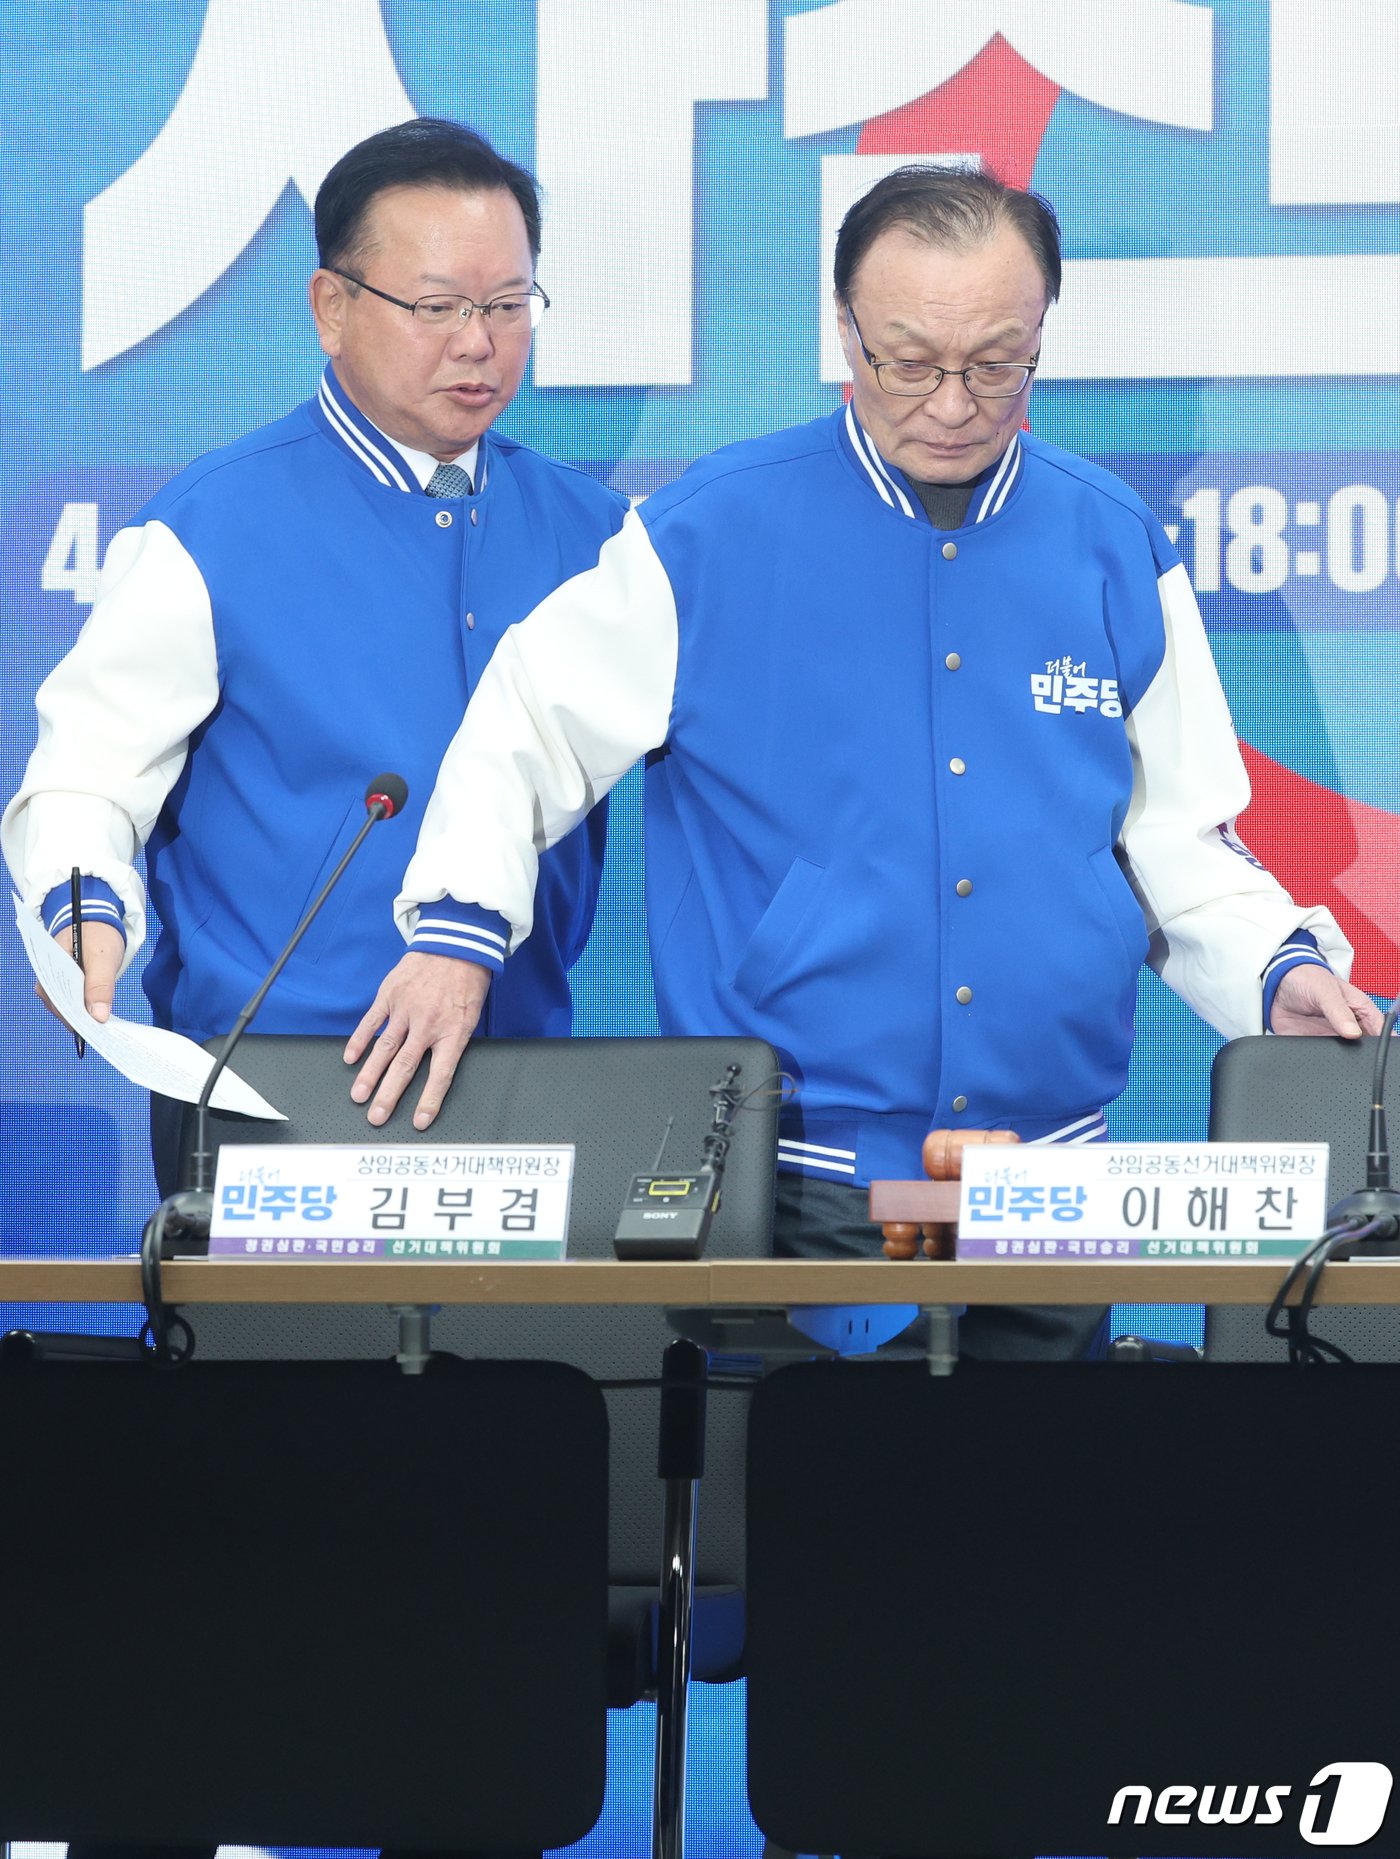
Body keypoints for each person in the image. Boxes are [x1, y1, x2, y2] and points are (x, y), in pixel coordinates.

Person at [353, 163, 1379, 1358]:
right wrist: (457, 928)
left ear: (1040, 336)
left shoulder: (1112, 546)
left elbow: (1179, 843)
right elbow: (522, 726)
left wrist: (1272, 968)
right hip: (790, 1178)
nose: (951, 401)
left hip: (1045, 1190)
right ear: (845, 333)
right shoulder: (711, 530)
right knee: (807, 1522)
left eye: (994, 362)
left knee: (1033, 1522)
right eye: (908, 360)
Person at [4, 118, 625, 1191]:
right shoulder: (210, 527)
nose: (476, 341)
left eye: (507, 304)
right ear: (331, 308)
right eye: (435, 306)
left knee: (530, 1366)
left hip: (522, 1087)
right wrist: (83, 904)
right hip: (268, 1093)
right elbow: (87, 776)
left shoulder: (603, 539)